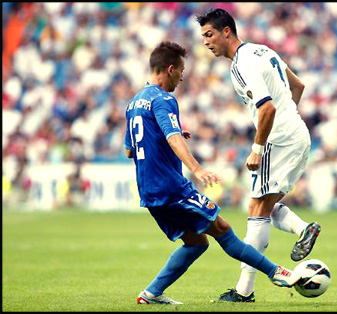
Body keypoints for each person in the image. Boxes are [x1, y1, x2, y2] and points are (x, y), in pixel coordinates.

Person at [124, 41, 301, 305]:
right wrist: (197, 169)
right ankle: (277, 272)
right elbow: (173, 137)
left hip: (149, 191)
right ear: (170, 69)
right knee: (222, 228)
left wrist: (161, 137)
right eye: (181, 71)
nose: (182, 77)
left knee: (197, 242)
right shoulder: (163, 99)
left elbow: (130, 150)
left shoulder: (134, 102)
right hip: (170, 187)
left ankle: (151, 293)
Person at [196, 9, 321, 302]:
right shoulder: (262, 50)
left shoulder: (242, 64)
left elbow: (267, 108)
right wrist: (290, 120)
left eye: (209, 34)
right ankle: (303, 228)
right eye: (203, 37)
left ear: (227, 31)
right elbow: (298, 85)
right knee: (264, 204)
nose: (206, 42)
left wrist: (257, 148)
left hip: (278, 141)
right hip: (297, 134)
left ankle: (244, 291)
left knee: (256, 210)